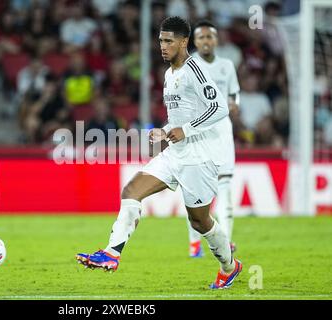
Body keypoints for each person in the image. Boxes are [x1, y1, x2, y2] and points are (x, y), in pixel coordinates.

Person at [76, 16, 242, 289]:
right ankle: (111, 253)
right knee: (131, 191)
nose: (162, 46)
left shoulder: (194, 69)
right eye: (160, 41)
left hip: (199, 158)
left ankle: (229, 266)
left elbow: (220, 108)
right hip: (174, 154)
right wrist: (165, 131)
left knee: (200, 221)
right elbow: (180, 115)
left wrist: (186, 130)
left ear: (184, 42)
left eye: (168, 41)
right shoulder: (169, 74)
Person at [186, 20, 241, 258]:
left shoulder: (227, 65)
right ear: (194, 42)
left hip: (222, 129)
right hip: (198, 130)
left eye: (209, 37)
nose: (206, 41)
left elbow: (235, 94)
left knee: (225, 183)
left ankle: (226, 240)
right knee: (196, 188)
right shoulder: (188, 65)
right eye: (201, 38)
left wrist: (234, 105)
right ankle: (194, 242)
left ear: (216, 40)